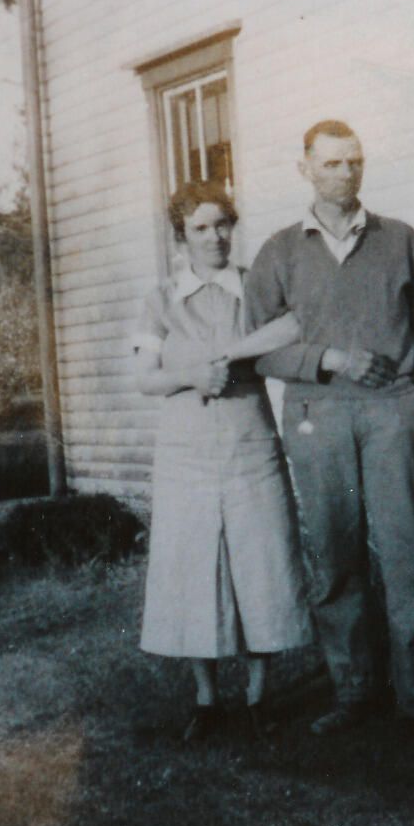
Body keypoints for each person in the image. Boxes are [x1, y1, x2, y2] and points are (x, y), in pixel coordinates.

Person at [244, 120, 414, 749]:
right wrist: (326, 359)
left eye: (353, 161)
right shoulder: (279, 252)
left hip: (388, 417)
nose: (345, 173)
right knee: (334, 558)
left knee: (408, 556)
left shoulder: (398, 239)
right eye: (330, 163)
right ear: (304, 169)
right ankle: (353, 692)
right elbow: (257, 349)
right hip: (316, 417)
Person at [133, 180, 312, 743]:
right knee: (193, 571)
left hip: (249, 446)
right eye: (200, 229)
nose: (214, 238)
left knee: (262, 566)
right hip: (186, 455)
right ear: (181, 237)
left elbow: (293, 329)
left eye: (222, 225)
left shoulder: (255, 289)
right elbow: (145, 379)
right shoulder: (161, 299)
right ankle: (206, 699)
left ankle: (259, 695)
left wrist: (236, 356)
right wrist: (191, 375)